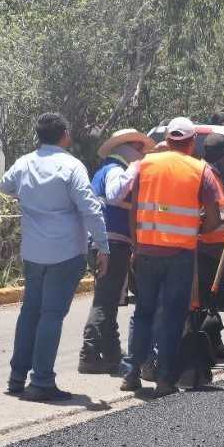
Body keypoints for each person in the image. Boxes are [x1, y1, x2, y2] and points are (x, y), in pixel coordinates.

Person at [114, 117, 224, 397]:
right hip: (181, 252)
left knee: (143, 312)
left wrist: (136, 245)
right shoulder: (200, 169)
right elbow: (214, 215)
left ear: (167, 140)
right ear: (192, 143)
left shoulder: (144, 165)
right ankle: (165, 379)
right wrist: (197, 230)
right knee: (172, 316)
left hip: (146, 251)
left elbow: (133, 211)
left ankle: (131, 374)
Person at [0, 112, 110, 402]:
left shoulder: (25, 162)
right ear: (65, 135)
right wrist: (103, 247)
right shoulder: (72, 166)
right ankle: (43, 381)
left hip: (33, 251)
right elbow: (90, 209)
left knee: (30, 312)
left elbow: (4, 186)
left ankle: (17, 377)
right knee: (51, 315)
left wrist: (27, 199)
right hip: (65, 250)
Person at [77, 128, 155, 374]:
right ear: (128, 148)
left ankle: (111, 351)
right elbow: (114, 194)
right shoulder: (115, 170)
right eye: (139, 148)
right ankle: (89, 354)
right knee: (105, 299)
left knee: (110, 299)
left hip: (109, 242)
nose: (142, 153)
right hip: (111, 243)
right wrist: (135, 168)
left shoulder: (106, 170)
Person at [197, 132, 224, 360]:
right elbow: (202, 212)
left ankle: (214, 342)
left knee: (214, 298)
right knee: (207, 300)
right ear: (223, 155)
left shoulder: (215, 174)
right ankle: (207, 345)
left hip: (218, 248)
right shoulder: (204, 175)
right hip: (207, 248)